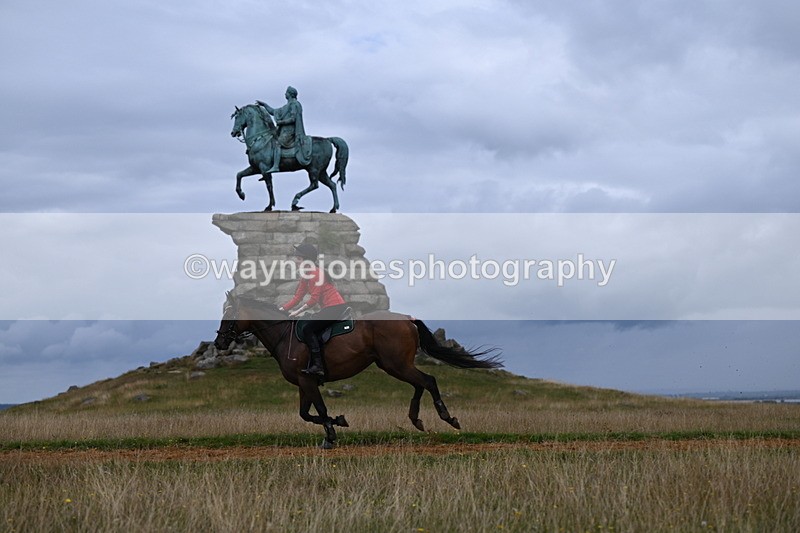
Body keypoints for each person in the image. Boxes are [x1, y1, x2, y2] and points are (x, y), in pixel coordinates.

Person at [279, 243, 347, 376]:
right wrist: (282, 309)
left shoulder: (316, 273)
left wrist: (296, 312)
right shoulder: (306, 275)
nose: (295, 261)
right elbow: (297, 297)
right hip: (329, 308)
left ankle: (318, 366)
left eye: (298, 258)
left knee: (308, 328)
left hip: (335, 307)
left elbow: (314, 299)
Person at [255, 86, 312, 168]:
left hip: (290, 132)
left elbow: (293, 119)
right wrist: (264, 105)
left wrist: (281, 122)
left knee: (277, 143)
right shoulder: (287, 106)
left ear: (290, 94)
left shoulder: (294, 104)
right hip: (283, 131)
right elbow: (273, 111)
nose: (285, 94)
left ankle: (275, 166)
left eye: (286, 92)